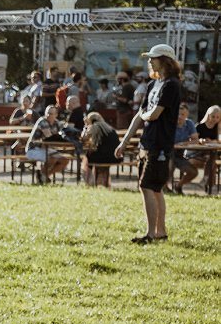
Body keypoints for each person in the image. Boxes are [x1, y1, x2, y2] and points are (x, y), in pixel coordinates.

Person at [115, 44, 182, 244]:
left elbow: (153, 114)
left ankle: (151, 234)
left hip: (160, 144)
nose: (150, 61)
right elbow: (141, 115)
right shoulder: (154, 85)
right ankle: (160, 232)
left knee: (146, 186)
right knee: (154, 188)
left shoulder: (171, 85)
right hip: (147, 143)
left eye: (154, 57)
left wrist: (144, 116)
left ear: (165, 60)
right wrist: (124, 142)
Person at [177, 104, 220, 192]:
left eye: (218, 117)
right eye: (213, 116)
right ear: (208, 116)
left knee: (212, 159)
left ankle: (206, 183)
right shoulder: (199, 126)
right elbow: (195, 140)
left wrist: (213, 140)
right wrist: (202, 140)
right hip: (196, 154)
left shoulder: (217, 127)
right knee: (212, 161)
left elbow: (219, 140)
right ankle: (208, 186)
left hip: (209, 154)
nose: (215, 119)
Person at [26, 104, 72, 184]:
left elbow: (64, 134)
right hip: (33, 149)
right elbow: (49, 138)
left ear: (56, 115)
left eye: (51, 113)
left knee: (65, 161)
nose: (48, 115)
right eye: (47, 113)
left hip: (47, 148)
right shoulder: (42, 121)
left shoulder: (57, 123)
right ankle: (42, 177)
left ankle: (43, 175)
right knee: (52, 158)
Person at [81, 112, 120, 187]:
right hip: (115, 157)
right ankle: (100, 182)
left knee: (88, 156)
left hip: (105, 157)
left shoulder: (95, 126)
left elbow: (84, 138)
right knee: (91, 154)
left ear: (90, 120)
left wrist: (85, 126)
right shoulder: (108, 127)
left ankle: (89, 181)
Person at [170, 104, 198, 195]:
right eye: (178, 114)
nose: (180, 117)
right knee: (169, 168)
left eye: (183, 114)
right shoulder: (169, 123)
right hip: (167, 154)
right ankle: (164, 188)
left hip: (179, 155)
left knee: (193, 172)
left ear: (187, 115)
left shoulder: (189, 123)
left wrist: (184, 143)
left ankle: (178, 186)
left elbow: (195, 140)